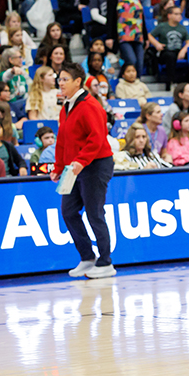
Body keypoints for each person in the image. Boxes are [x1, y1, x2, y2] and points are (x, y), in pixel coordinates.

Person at [51, 62, 116, 279]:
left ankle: (106, 262)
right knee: (68, 211)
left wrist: (80, 161)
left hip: (96, 164)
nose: (60, 83)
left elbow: (97, 138)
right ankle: (87, 258)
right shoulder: (66, 107)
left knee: (94, 213)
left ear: (78, 81)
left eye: (65, 79)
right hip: (74, 167)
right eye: (59, 79)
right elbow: (62, 140)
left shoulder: (89, 105)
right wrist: (59, 167)